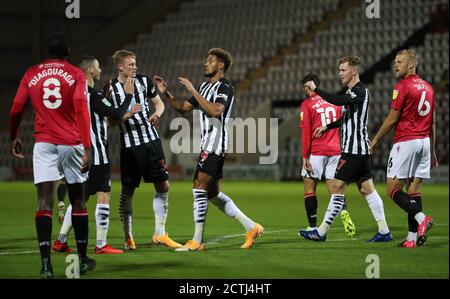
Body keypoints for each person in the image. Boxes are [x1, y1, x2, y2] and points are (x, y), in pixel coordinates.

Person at [154, 48, 264, 251]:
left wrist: (192, 90)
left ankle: (197, 241)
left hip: (216, 143)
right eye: (206, 60)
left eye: (210, 61)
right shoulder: (205, 86)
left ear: (220, 65)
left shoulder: (225, 86)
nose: (206, 63)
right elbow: (183, 108)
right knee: (212, 193)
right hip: (208, 143)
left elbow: (215, 111)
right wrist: (167, 93)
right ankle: (252, 227)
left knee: (198, 187)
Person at [8, 34, 96, 278]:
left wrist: (12, 136)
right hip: (71, 143)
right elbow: (80, 107)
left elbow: (16, 108)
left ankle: (46, 264)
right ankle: (81, 259)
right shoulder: (76, 74)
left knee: (43, 202)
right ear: (68, 53)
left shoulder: (31, 73)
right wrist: (87, 147)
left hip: (43, 143)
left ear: (45, 53)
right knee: (78, 200)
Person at [53, 55, 142, 254]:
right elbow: (116, 114)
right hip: (96, 153)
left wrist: (120, 112)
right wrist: (128, 96)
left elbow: (103, 118)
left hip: (79, 152)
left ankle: (60, 241)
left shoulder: (74, 93)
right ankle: (101, 244)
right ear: (90, 71)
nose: (101, 70)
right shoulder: (92, 94)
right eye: (98, 67)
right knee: (104, 194)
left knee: (80, 198)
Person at [300, 55, 392, 242]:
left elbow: (338, 101)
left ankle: (321, 231)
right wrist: (328, 126)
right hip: (359, 151)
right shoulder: (353, 92)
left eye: (343, 70)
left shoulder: (359, 91)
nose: (339, 73)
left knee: (337, 187)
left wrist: (316, 90)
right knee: (368, 190)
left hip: (354, 151)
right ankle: (384, 231)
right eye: (340, 70)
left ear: (353, 71)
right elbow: (346, 117)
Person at [106, 50, 181, 250]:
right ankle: (127, 235)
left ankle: (160, 233)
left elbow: (159, 103)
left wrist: (157, 113)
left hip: (152, 142)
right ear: (119, 66)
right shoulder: (111, 89)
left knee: (163, 186)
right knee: (128, 191)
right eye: (130, 64)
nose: (135, 67)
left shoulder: (144, 81)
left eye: (135, 63)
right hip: (130, 147)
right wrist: (125, 115)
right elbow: (107, 121)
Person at [371, 49, 436, 248]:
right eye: (395, 62)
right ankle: (412, 239)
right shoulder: (428, 87)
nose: (395, 65)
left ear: (411, 65)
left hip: (406, 141)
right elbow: (431, 122)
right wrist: (432, 150)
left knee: (392, 189)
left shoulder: (402, 85)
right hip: (424, 142)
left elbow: (392, 118)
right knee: (414, 191)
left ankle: (422, 218)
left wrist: (375, 141)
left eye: (399, 62)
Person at [299, 74, 356, 237]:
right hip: (336, 151)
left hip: (317, 151)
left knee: (310, 189)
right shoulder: (333, 101)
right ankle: (344, 213)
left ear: (306, 87)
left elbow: (306, 132)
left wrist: (304, 156)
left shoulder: (307, 104)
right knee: (335, 190)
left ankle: (312, 227)